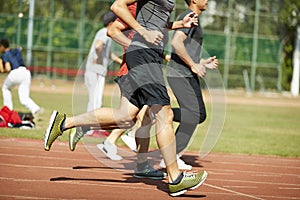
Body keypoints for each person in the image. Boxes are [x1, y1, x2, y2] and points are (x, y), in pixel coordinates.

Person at [44, 0, 207, 196]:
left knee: (125, 116)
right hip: (143, 56)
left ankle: (64, 123)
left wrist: (178, 25)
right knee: (165, 113)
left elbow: (152, 21)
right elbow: (117, 6)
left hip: (147, 56)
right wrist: (144, 33)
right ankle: (175, 178)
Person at [160, 0, 219, 170]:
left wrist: (201, 62)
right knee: (195, 114)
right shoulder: (189, 16)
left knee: (197, 115)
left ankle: (172, 154)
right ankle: (160, 116)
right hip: (181, 74)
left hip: (184, 73)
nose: (207, 0)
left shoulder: (193, 18)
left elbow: (185, 49)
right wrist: (193, 65)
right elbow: (176, 43)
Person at [84, 12, 122, 113]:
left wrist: (121, 61)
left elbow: (109, 53)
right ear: (111, 23)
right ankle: (92, 127)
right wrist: (100, 58)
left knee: (93, 100)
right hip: (96, 71)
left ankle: (88, 126)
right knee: (96, 102)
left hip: (93, 70)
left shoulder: (102, 32)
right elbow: (98, 46)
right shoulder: (105, 32)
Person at [0, 38, 43, 119]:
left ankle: (8, 110)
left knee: (5, 88)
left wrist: (3, 70)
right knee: (24, 98)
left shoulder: (5, 55)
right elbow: (20, 48)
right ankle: (35, 109)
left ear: (2, 46)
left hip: (16, 72)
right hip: (26, 72)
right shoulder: (16, 50)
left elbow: (8, 68)